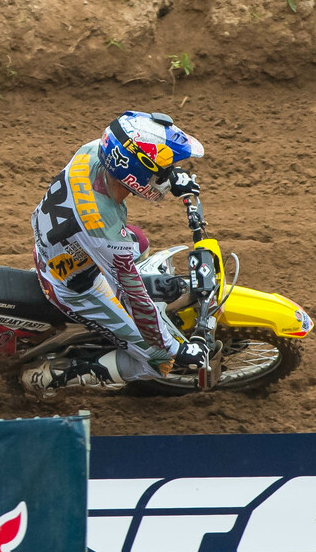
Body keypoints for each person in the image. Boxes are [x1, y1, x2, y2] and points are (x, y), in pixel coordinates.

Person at [27, 110, 209, 392]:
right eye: (162, 168)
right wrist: (176, 348)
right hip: (75, 288)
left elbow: (132, 162)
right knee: (159, 360)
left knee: (140, 242)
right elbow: (136, 299)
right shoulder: (103, 227)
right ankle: (55, 378)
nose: (165, 173)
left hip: (56, 247)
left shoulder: (92, 151)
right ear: (136, 171)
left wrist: (170, 179)